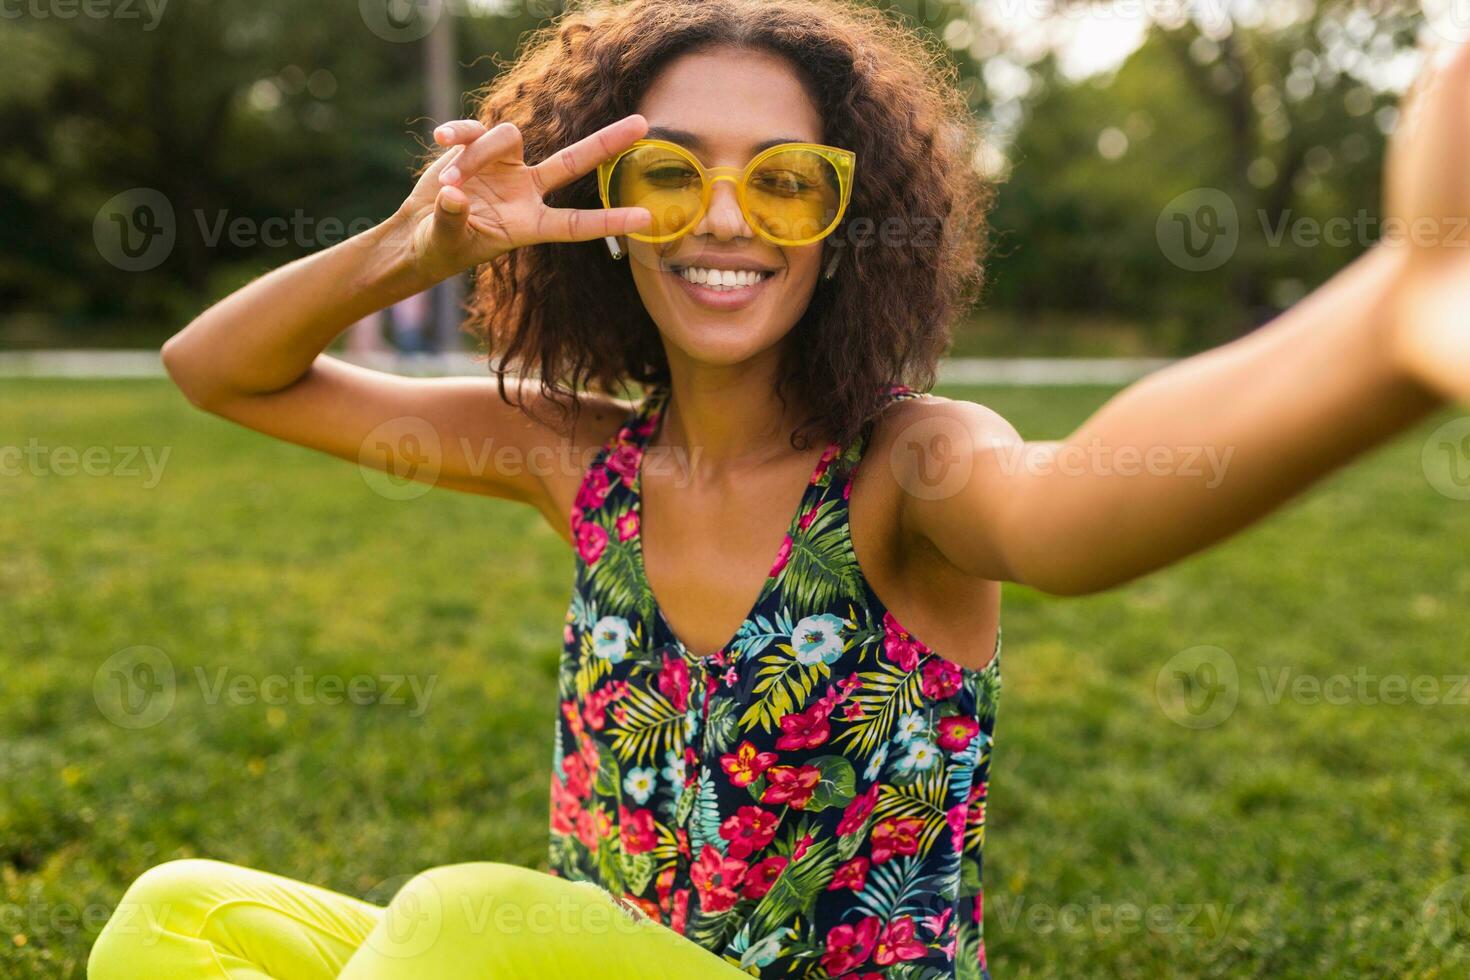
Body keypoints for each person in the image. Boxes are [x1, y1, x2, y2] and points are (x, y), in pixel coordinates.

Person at [87, 0, 1469, 977]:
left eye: (787, 182)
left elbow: (1074, 513)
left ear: (846, 225)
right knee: (177, 915)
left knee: (455, 928)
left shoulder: (906, 469)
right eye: (669, 179)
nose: (729, 220)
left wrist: (1398, 314)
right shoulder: (573, 461)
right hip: (599, 967)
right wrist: (418, 244)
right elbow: (222, 372)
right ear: (602, 214)